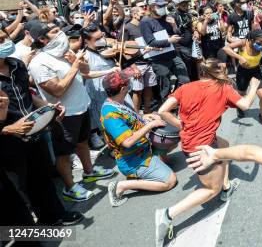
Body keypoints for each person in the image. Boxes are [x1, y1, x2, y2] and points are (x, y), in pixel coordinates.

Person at [155, 59, 261, 247]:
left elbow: (163, 111)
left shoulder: (186, 87)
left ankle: (227, 187)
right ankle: (168, 214)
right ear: (218, 73)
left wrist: (181, 125)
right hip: (200, 148)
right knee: (212, 189)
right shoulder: (223, 88)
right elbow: (245, 105)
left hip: (191, 142)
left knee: (225, 144)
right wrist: (253, 87)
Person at [0, 27, 84, 227]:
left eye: (5, 37)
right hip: (6, 144)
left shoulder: (17, 65)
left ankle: (53, 216)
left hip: (34, 134)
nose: (4, 42)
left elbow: (28, 96)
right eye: (0, 39)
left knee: (42, 178)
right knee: (18, 193)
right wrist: (8, 129)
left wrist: (49, 108)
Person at [27, 21, 115, 202]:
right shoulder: (39, 63)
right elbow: (57, 90)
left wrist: (77, 62)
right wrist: (74, 68)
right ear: (42, 39)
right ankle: (70, 187)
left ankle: (89, 172)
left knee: (83, 142)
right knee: (64, 153)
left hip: (82, 107)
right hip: (63, 115)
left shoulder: (64, 53)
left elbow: (85, 71)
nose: (61, 35)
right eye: (55, 32)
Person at [100, 70, 177, 207]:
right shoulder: (110, 114)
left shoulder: (118, 101)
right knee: (170, 181)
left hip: (143, 149)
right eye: (127, 82)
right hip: (134, 159)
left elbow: (132, 119)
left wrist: (146, 117)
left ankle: (152, 168)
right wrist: (151, 125)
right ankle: (121, 186)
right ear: (123, 88)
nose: (130, 83)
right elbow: (127, 142)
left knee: (170, 139)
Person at [140, 0, 190, 100]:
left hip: (172, 55)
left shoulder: (166, 17)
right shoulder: (145, 22)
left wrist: (174, 26)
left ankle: (176, 98)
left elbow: (177, 33)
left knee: (185, 79)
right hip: (159, 59)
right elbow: (151, 42)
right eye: (160, 6)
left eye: (164, 5)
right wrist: (169, 41)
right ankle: (167, 108)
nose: (163, 7)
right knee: (165, 87)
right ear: (153, 7)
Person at [121, 4, 156, 114]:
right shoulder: (127, 28)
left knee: (149, 88)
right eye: (142, 13)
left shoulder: (145, 26)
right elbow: (123, 50)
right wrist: (134, 67)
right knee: (137, 91)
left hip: (149, 62)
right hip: (137, 65)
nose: (144, 15)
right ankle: (136, 115)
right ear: (135, 15)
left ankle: (147, 110)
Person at [172, 0, 198, 81]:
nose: (185, 5)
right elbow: (175, 31)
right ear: (177, 5)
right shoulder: (173, 16)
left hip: (190, 44)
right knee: (186, 71)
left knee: (194, 68)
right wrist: (180, 26)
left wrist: (195, 32)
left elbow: (191, 28)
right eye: (183, 4)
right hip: (180, 46)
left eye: (186, 3)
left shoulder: (188, 14)